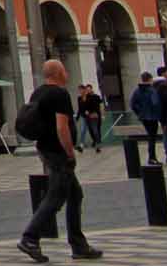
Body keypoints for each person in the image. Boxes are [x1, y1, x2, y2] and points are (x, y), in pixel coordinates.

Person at [18, 59, 101, 263]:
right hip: (57, 151)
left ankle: (78, 244)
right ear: (57, 73)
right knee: (55, 197)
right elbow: (61, 127)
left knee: (75, 195)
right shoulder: (59, 94)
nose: (67, 73)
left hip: (45, 148)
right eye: (64, 69)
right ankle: (30, 237)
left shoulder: (38, 92)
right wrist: (70, 152)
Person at [127, 72, 162, 165]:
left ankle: (152, 157)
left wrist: (139, 113)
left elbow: (132, 104)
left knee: (150, 136)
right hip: (152, 117)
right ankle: (152, 157)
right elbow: (155, 103)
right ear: (150, 79)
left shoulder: (137, 90)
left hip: (143, 117)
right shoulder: (152, 90)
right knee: (152, 138)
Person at [74, 87, 103, 153]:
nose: (80, 92)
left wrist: (90, 112)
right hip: (85, 117)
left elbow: (95, 106)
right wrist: (77, 117)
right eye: (79, 90)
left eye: (81, 90)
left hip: (92, 116)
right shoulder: (79, 98)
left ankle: (98, 145)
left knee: (95, 131)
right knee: (83, 131)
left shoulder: (91, 97)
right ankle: (81, 146)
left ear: (84, 90)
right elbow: (80, 108)